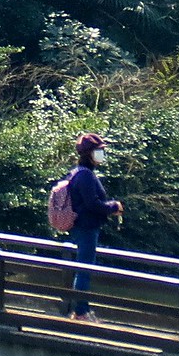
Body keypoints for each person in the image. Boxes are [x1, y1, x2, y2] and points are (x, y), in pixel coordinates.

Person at [64, 133, 123, 323]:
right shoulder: (86, 175)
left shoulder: (78, 172)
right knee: (84, 270)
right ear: (89, 153)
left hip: (81, 228)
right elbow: (92, 204)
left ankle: (82, 309)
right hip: (86, 228)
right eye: (99, 150)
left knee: (83, 269)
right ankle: (81, 312)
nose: (102, 154)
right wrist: (113, 207)